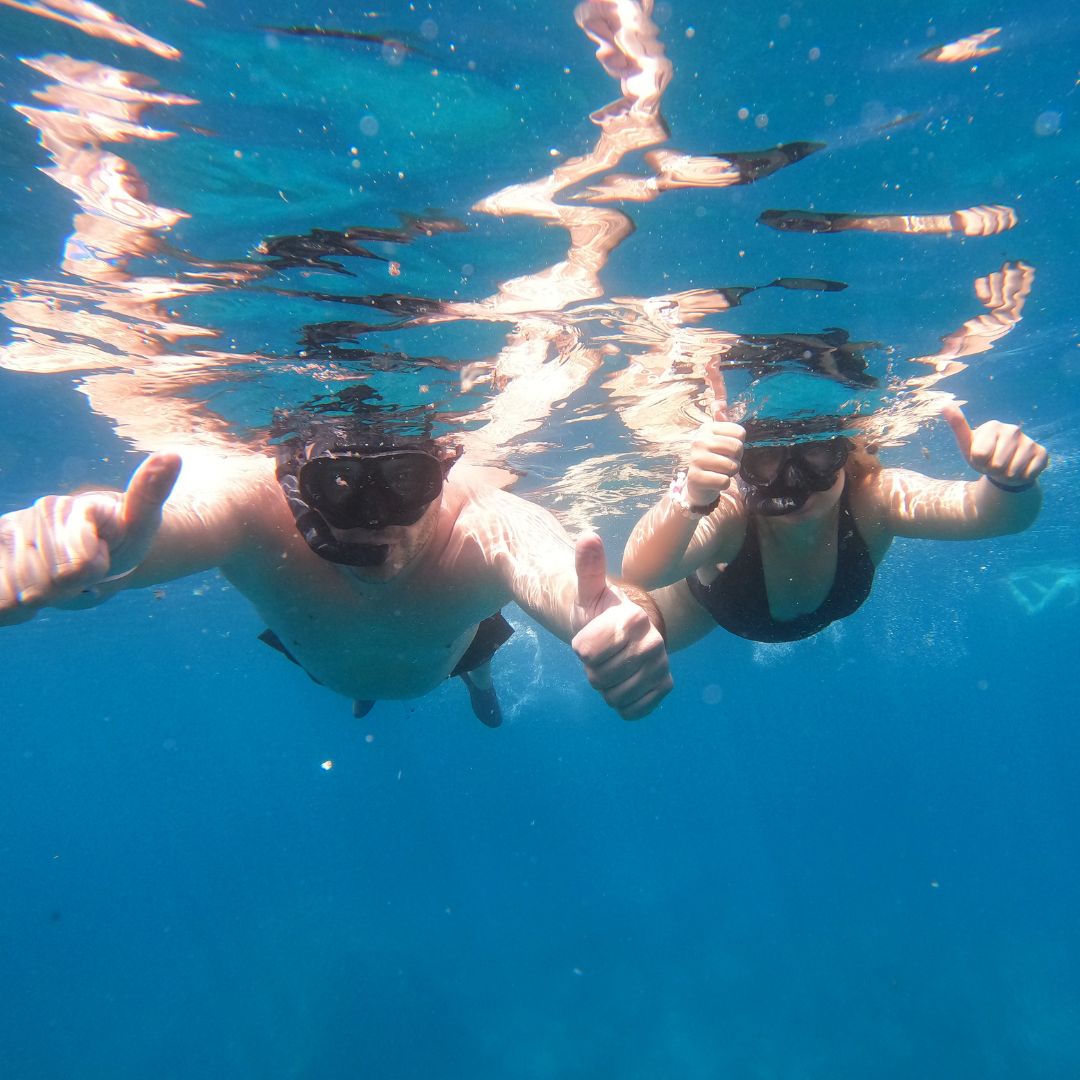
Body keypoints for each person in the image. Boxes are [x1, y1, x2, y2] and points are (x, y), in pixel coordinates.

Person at [0, 412, 672, 724]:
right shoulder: (252, 507)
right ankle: (366, 689)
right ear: (295, 485)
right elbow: (166, 526)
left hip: (445, 649)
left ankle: (476, 682)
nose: (375, 519)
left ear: (441, 472)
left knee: (476, 656)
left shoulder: (484, 526)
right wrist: (103, 551)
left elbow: (558, 571)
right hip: (327, 659)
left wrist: (610, 616)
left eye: (406, 481)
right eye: (339, 487)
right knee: (356, 673)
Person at [621, 401, 1049, 648]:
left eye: (817, 451)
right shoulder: (730, 511)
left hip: (750, 611)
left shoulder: (874, 498)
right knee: (619, 637)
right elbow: (641, 573)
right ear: (742, 465)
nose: (794, 480)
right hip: (699, 610)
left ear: (846, 451)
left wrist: (1009, 481)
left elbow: (995, 514)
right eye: (766, 458)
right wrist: (693, 497)